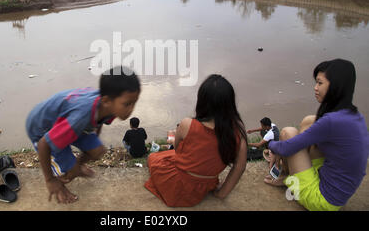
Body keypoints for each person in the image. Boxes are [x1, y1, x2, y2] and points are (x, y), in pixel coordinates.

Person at [26, 66, 140, 204]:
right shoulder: (80, 117)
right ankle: (60, 182)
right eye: (127, 104)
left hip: (68, 122)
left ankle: (75, 167)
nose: (131, 109)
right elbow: (44, 144)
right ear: (106, 101)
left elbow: (99, 122)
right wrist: (49, 180)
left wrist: (90, 147)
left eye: (134, 103)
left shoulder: (108, 106)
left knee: (98, 151)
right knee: (68, 167)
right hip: (42, 128)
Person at [267, 59, 368, 211]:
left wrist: (270, 145)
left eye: (320, 83)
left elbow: (287, 148)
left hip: (322, 201)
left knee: (288, 133)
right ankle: (291, 175)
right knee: (309, 121)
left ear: (335, 86)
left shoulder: (331, 121)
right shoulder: (353, 115)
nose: (315, 88)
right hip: (339, 190)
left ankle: (290, 179)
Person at [144, 74, 248, 207]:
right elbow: (240, 167)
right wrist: (221, 193)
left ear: (202, 100)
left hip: (178, 187)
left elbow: (177, 149)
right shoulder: (238, 129)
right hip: (206, 185)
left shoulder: (187, 124)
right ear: (230, 102)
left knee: (153, 158)